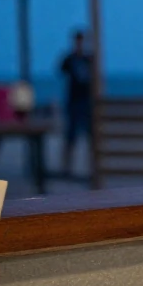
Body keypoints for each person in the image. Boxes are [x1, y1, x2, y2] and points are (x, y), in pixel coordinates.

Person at [59, 30, 94, 176]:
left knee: (91, 136)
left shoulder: (89, 59)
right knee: (70, 136)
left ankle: (92, 167)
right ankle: (67, 167)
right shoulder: (70, 59)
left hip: (87, 101)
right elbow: (61, 71)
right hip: (74, 101)